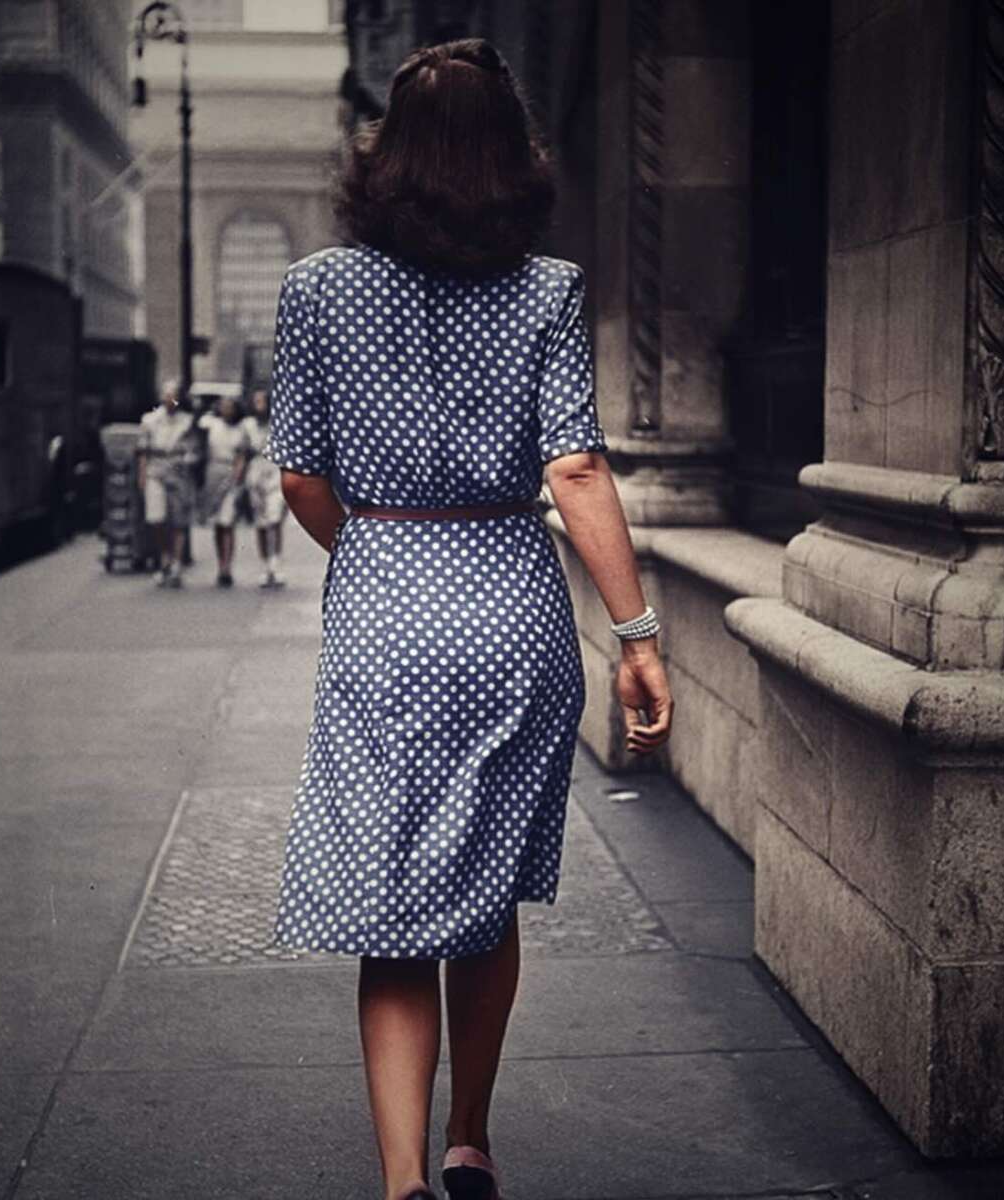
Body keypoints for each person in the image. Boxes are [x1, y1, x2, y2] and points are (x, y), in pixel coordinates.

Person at [265, 38, 674, 1200]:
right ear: (514, 157)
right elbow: (580, 472)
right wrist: (637, 638)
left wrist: (382, 553)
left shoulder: (318, 290)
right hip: (510, 607)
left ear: (382, 156)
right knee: (484, 892)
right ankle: (469, 1143)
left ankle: (400, 1184)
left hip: (386, 608)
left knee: (391, 903)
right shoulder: (546, 289)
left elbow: (299, 478)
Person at [135, 378, 200, 588]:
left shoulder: (187, 421)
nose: (170, 399)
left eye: (174, 395)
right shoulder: (149, 420)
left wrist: (189, 459)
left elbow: (193, 449)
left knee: (179, 519)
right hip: (156, 470)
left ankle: (176, 563)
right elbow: (143, 451)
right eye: (167, 394)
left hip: (179, 471)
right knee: (157, 517)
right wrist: (142, 476)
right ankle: (164, 554)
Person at [197, 393, 248, 587]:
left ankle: (227, 566)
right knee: (218, 523)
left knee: (227, 521)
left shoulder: (241, 429)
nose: (226, 409)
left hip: (231, 473)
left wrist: (237, 478)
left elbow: (242, 456)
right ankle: (220, 563)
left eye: (230, 406)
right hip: (213, 472)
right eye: (223, 406)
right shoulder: (211, 424)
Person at [240, 387, 288, 588]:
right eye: (256, 401)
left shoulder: (279, 423)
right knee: (260, 522)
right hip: (255, 471)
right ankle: (264, 565)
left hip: (274, 470)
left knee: (274, 518)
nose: (259, 405)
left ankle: (274, 564)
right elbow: (242, 452)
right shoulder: (248, 425)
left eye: (262, 401)